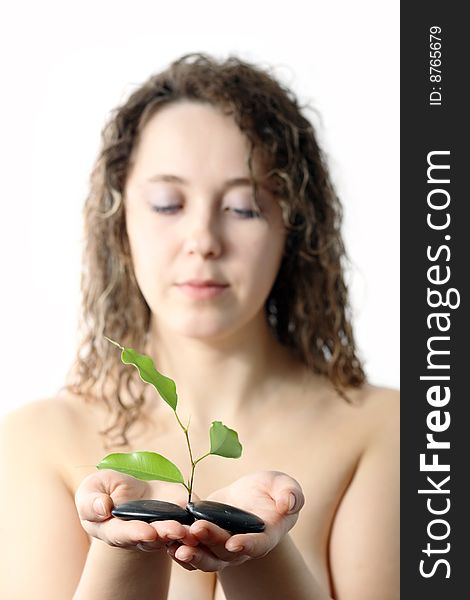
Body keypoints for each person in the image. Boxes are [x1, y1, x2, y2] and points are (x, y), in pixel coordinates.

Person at [0, 54, 399, 599]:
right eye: (168, 204)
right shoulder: (33, 441)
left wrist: (264, 552)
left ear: (295, 229)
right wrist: (121, 551)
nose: (203, 239)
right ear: (121, 224)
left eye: (243, 208)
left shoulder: (388, 430)